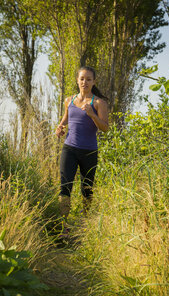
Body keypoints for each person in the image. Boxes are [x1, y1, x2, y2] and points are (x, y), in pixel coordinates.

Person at [56, 66, 109, 221]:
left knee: (87, 190)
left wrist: (92, 114)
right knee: (65, 187)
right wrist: (60, 128)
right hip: (69, 149)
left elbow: (105, 128)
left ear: (93, 82)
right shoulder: (69, 100)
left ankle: (85, 225)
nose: (84, 82)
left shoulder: (99, 103)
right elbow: (66, 119)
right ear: (77, 80)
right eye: (82, 79)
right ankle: (63, 225)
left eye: (88, 79)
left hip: (89, 152)